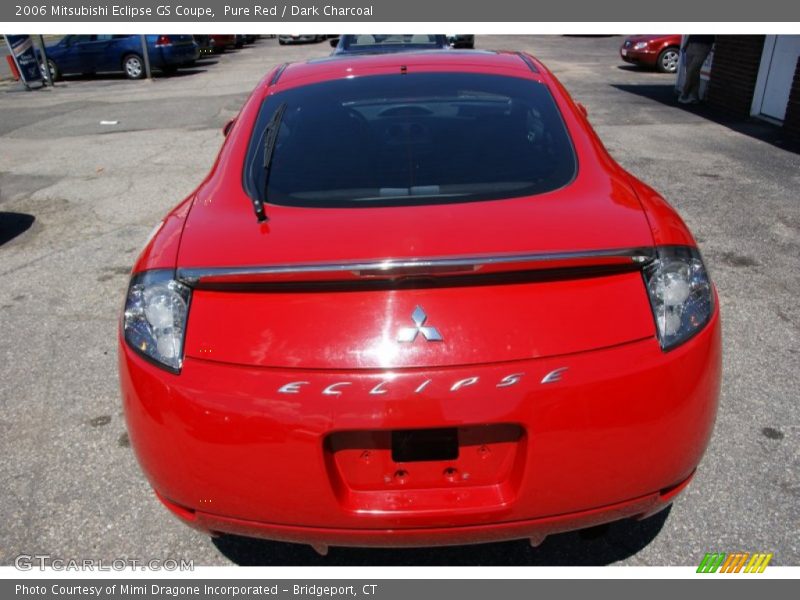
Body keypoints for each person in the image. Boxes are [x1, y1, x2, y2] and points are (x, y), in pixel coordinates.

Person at [679, 35, 715, 104]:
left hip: (704, 45)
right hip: (690, 44)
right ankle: (694, 97)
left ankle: (684, 93)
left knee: (692, 71)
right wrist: (686, 44)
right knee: (693, 72)